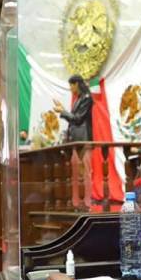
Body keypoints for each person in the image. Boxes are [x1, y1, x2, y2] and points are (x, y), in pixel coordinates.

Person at [54, 75, 94, 210]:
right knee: (78, 172)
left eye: (71, 85)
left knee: (85, 171)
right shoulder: (79, 99)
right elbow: (74, 118)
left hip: (84, 138)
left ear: (77, 84)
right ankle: (79, 201)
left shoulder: (87, 98)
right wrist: (63, 110)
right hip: (76, 139)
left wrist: (63, 111)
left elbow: (78, 119)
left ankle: (87, 202)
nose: (70, 88)